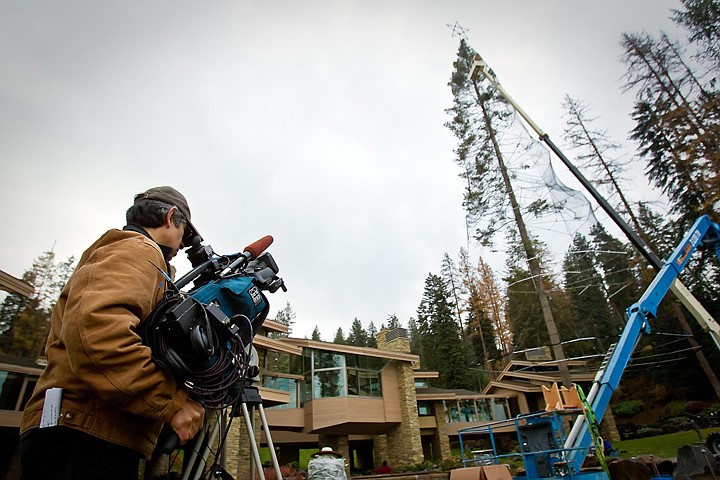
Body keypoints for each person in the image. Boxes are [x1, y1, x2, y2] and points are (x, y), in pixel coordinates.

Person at [19, 186, 206, 480]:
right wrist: (171, 401)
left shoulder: (127, 253)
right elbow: (100, 335)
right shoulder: (137, 249)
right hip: (82, 438)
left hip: (86, 432)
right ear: (171, 218)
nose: (184, 245)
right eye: (185, 233)